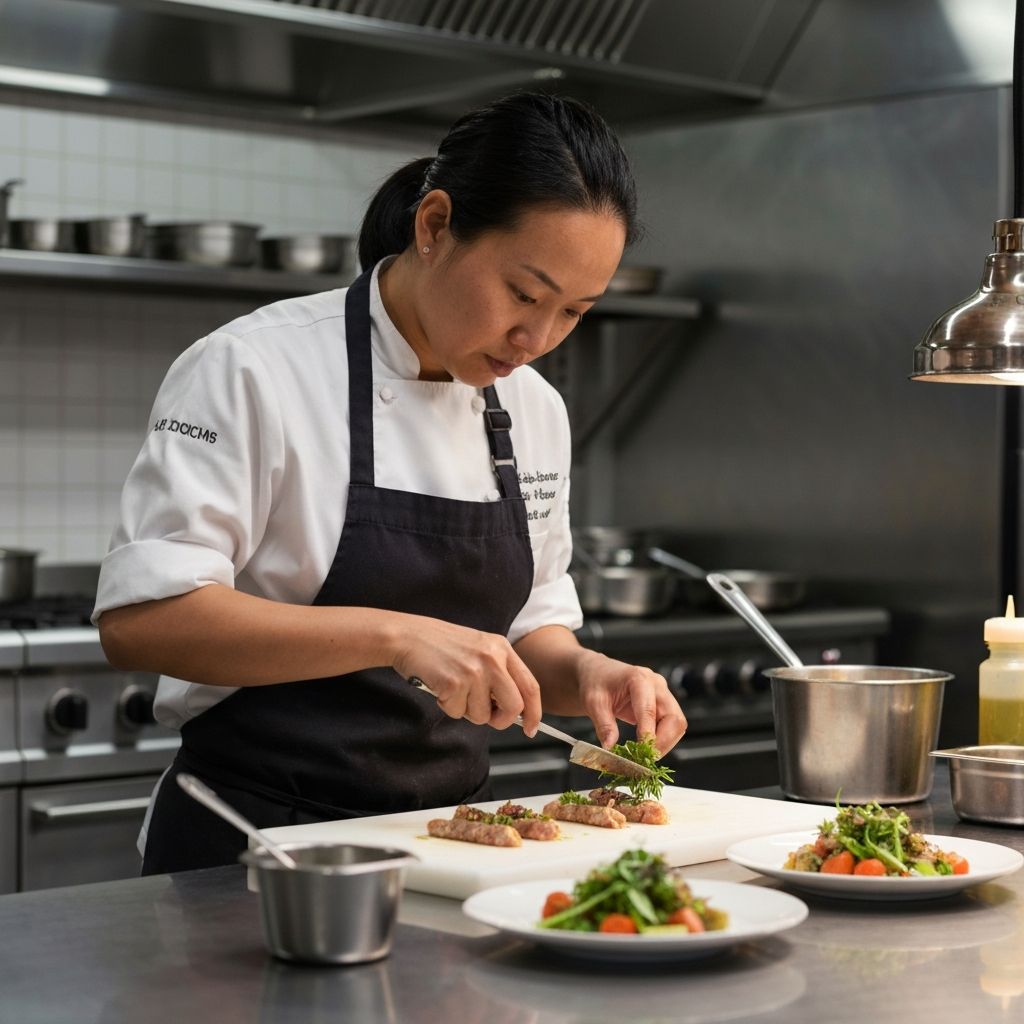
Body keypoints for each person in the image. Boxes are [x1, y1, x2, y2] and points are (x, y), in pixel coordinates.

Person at [93, 92, 688, 874]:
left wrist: (591, 675)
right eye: (524, 294)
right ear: (435, 226)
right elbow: (142, 621)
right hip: (250, 848)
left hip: (449, 847)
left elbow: (528, 632)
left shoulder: (535, 409)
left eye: (574, 311)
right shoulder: (255, 368)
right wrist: (395, 634)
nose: (535, 340)